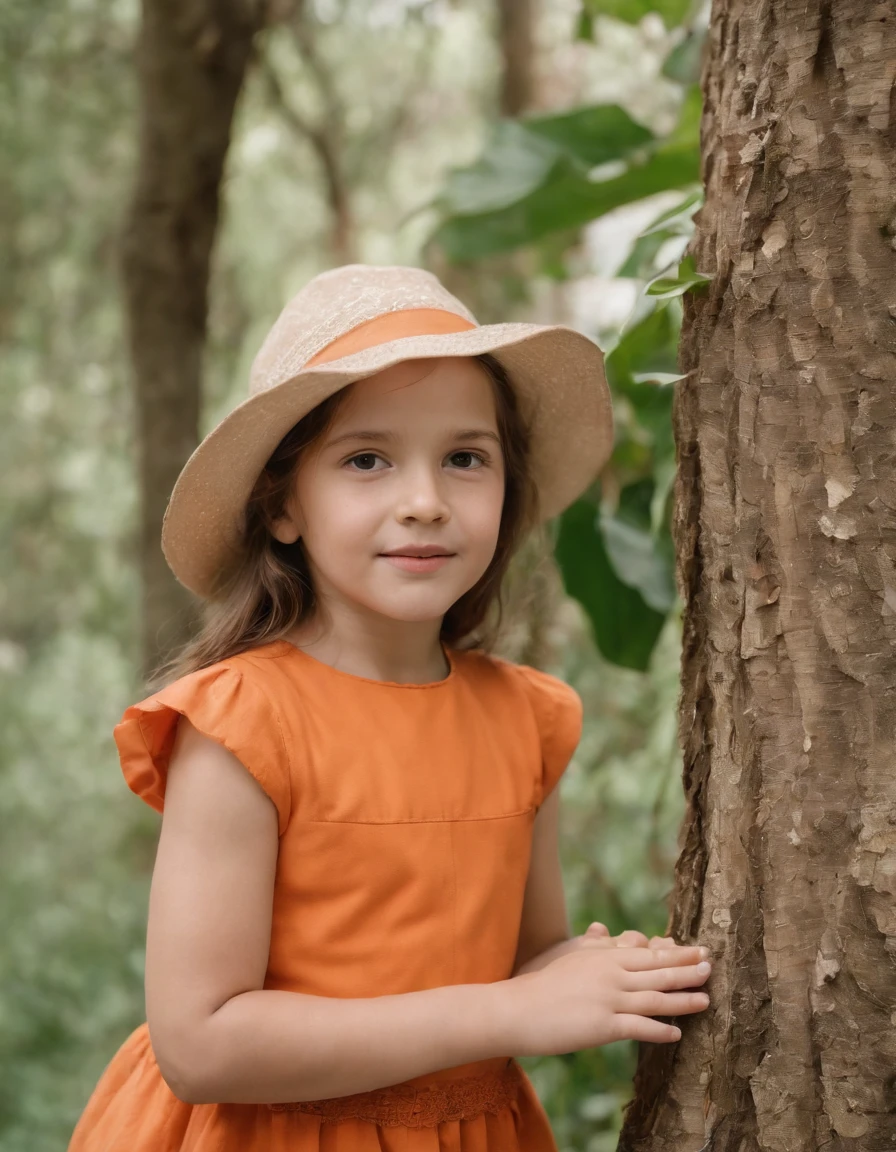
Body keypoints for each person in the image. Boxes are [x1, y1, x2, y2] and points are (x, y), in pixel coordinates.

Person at [68, 264, 712, 1152]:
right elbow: (200, 1043)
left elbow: (531, 961)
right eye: (367, 459)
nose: (425, 502)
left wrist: (607, 977)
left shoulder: (527, 720)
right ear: (283, 504)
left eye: (465, 458)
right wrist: (512, 1011)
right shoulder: (243, 726)